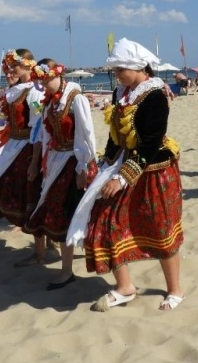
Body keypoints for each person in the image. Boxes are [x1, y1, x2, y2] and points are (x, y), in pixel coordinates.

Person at [67, 38, 184, 312]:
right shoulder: (121, 93)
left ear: (137, 67)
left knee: (160, 229)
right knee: (104, 220)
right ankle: (125, 287)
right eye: (115, 70)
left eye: (120, 69)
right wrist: (102, 166)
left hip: (154, 170)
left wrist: (121, 178)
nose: (117, 75)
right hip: (123, 165)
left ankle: (175, 289)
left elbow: (151, 141)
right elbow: (116, 137)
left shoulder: (155, 96)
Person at [24, 59, 99, 290]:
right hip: (57, 161)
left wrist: (83, 167)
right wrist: (43, 162)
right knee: (61, 216)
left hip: (75, 162)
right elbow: (46, 134)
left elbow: (87, 134)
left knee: (80, 215)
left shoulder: (76, 98)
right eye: (41, 82)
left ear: (58, 75)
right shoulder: (49, 103)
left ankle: (89, 263)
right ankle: (67, 270)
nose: (44, 85)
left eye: (47, 80)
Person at [0, 50, 46, 260]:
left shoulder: (35, 90)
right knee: (19, 191)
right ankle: (41, 246)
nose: (11, 70)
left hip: (28, 146)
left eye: (15, 66)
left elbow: (38, 124)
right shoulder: (18, 90)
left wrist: (34, 153)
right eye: (10, 66)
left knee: (31, 194)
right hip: (15, 143)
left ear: (28, 65)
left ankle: (41, 249)